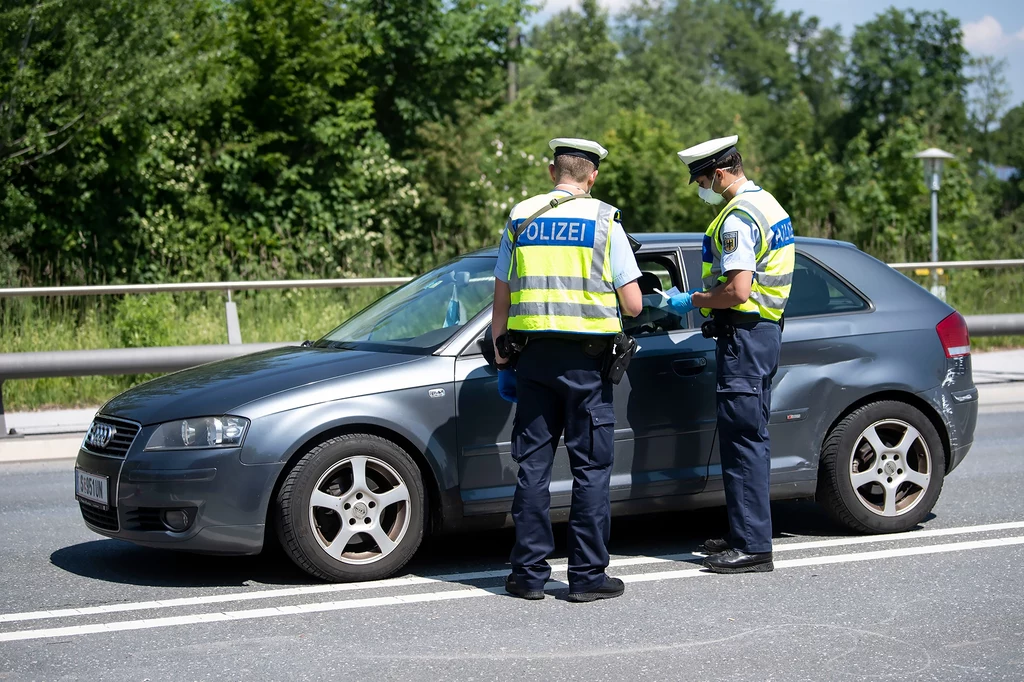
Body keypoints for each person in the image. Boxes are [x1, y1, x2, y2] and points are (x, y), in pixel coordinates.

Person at [492, 137, 643, 602]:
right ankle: (586, 577)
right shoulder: (604, 220)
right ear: (591, 175)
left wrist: (502, 358)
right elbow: (633, 305)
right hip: (587, 366)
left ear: (552, 171)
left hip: (532, 359)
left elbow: (502, 294)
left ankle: (527, 576)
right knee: (591, 469)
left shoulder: (520, 216)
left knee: (533, 468)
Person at [668, 135, 795, 574]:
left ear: (719, 173)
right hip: (763, 335)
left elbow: (738, 291)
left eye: (702, 180)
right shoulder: (768, 204)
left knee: (743, 440)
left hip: (745, 335)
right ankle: (745, 531)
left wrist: (693, 300)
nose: (702, 188)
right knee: (749, 435)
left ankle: (754, 546)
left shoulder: (738, 218)